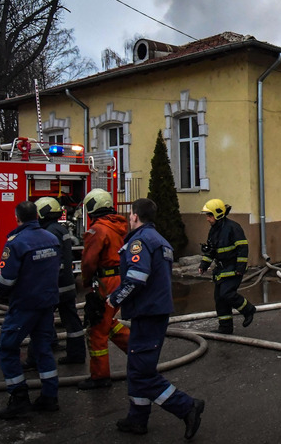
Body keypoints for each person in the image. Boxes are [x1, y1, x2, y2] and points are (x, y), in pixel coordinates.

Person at [107, 198, 206, 439]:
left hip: (147, 313)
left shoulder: (140, 241)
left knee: (141, 373)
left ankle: (186, 406)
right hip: (153, 312)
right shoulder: (159, 240)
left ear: (134, 216)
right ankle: (137, 418)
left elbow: (137, 278)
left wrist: (114, 299)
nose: (130, 218)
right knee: (137, 367)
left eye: (130, 214)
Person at [0, 201, 62, 419]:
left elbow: (7, 279)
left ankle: (19, 398)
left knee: (7, 348)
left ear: (17, 217)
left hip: (24, 305)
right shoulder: (52, 239)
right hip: (47, 303)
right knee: (43, 348)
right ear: (36, 216)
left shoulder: (16, 242)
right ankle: (50, 397)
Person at [23, 198, 86, 369]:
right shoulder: (61, 229)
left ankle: (34, 359)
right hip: (67, 284)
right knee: (72, 322)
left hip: (52, 286)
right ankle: (76, 354)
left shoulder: (48, 232)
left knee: (40, 321)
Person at [78, 188, 130, 390]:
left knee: (97, 328)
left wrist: (86, 283)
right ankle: (137, 352)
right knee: (107, 322)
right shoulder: (118, 226)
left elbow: (89, 262)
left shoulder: (98, 230)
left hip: (105, 282)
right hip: (118, 279)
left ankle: (100, 376)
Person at [198, 198, 256, 334]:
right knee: (219, 299)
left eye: (209, 215)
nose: (207, 219)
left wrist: (240, 268)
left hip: (233, 269)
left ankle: (248, 310)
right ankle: (225, 327)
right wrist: (204, 265)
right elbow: (211, 250)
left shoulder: (233, 228)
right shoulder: (213, 231)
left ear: (218, 214)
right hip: (220, 270)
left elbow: (243, 248)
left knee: (227, 294)